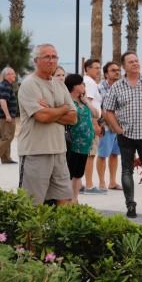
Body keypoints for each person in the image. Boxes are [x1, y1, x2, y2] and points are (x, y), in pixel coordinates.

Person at [102, 52, 142, 218]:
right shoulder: (117, 86)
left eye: (136, 61)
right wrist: (116, 128)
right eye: (131, 62)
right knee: (126, 171)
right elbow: (108, 110)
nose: (135, 64)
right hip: (125, 136)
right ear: (124, 66)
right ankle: (130, 205)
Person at [17, 44, 77, 205]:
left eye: (54, 57)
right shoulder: (29, 84)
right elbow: (42, 116)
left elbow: (73, 118)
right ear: (36, 61)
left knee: (64, 199)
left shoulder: (60, 84)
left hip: (59, 151)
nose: (51, 60)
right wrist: (63, 108)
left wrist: (51, 110)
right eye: (47, 57)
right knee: (31, 204)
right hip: (35, 152)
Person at [64, 73, 97, 203]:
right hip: (73, 143)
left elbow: (96, 114)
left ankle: (75, 198)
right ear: (74, 86)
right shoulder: (68, 102)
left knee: (78, 174)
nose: (84, 86)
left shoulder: (83, 102)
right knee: (70, 174)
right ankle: (68, 199)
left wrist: (86, 101)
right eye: (81, 83)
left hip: (85, 144)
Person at [95, 62, 123, 192]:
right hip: (105, 126)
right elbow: (99, 108)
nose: (117, 72)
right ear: (106, 74)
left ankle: (112, 182)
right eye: (113, 70)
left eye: (118, 70)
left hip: (120, 126)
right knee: (102, 154)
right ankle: (101, 182)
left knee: (115, 154)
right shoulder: (99, 88)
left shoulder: (122, 87)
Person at [80, 59, 105, 194]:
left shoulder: (89, 82)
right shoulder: (89, 82)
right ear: (87, 69)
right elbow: (88, 103)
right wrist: (95, 124)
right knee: (91, 154)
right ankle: (89, 185)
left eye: (99, 68)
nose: (98, 71)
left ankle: (85, 184)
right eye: (95, 68)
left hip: (91, 121)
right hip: (91, 122)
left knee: (89, 154)